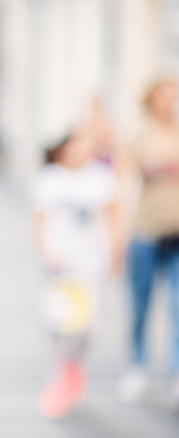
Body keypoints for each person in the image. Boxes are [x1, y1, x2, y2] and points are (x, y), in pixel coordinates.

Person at [31, 129, 120, 418]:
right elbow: (39, 220)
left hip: (90, 265)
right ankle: (57, 381)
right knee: (60, 324)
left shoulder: (101, 178)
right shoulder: (50, 179)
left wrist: (116, 253)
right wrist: (47, 254)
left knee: (88, 327)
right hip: (59, 267)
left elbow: (112, 216)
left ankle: (74, 367)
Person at [116, 75, 179, 409]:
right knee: (140, 306)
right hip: (146, 232)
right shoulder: (140, 138)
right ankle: (136, 365)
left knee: (178, 308)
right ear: (152, 99)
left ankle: (175, 373)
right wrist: (118, 235)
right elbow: (123, 186)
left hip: (177, 232)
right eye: (166, 95)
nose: (172, 101)